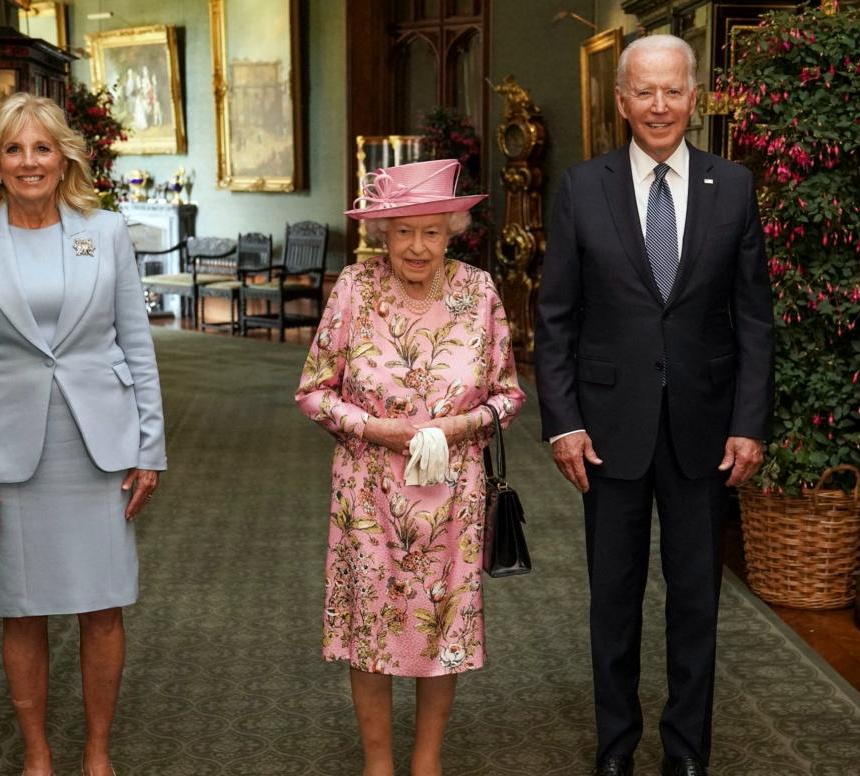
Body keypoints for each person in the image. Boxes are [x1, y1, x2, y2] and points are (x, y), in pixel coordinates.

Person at [534, 35, 773, 776]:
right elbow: (555, 318)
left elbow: (755, 319)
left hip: (705, 431)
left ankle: (686, 752)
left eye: (673, 90)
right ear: (621, 101)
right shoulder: (581, 187)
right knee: (614, 601)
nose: (660, 105)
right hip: (607, 432)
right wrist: (564, 421)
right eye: (645, 92)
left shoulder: (731, 186)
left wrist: (748, 423)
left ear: (695, 96)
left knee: (696, 600)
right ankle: (615, 749)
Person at [0, 92, 166, 776]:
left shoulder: (108, 230)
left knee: (102, 606)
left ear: (63, 155)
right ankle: (38, 753)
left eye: (42, 147)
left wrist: (150, 447)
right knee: (23, 610)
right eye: (13, 149)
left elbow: (138, 344)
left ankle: (97, 752)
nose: (29, 161)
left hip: (99, 448)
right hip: (8, 452)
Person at [296, 159, 525, 776]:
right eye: (403, 231)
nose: (417, 246)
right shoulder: (353, 288)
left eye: (431, 231)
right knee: (371, 627)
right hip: (368, 489)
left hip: (454, 491)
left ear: (453, 229)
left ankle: (427, 763)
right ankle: (378, 764)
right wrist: (376, 428)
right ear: (384, 232)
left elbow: (508, 394)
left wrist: (458, 426)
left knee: (444, 628)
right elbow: (314, 391)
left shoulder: (479, 292)